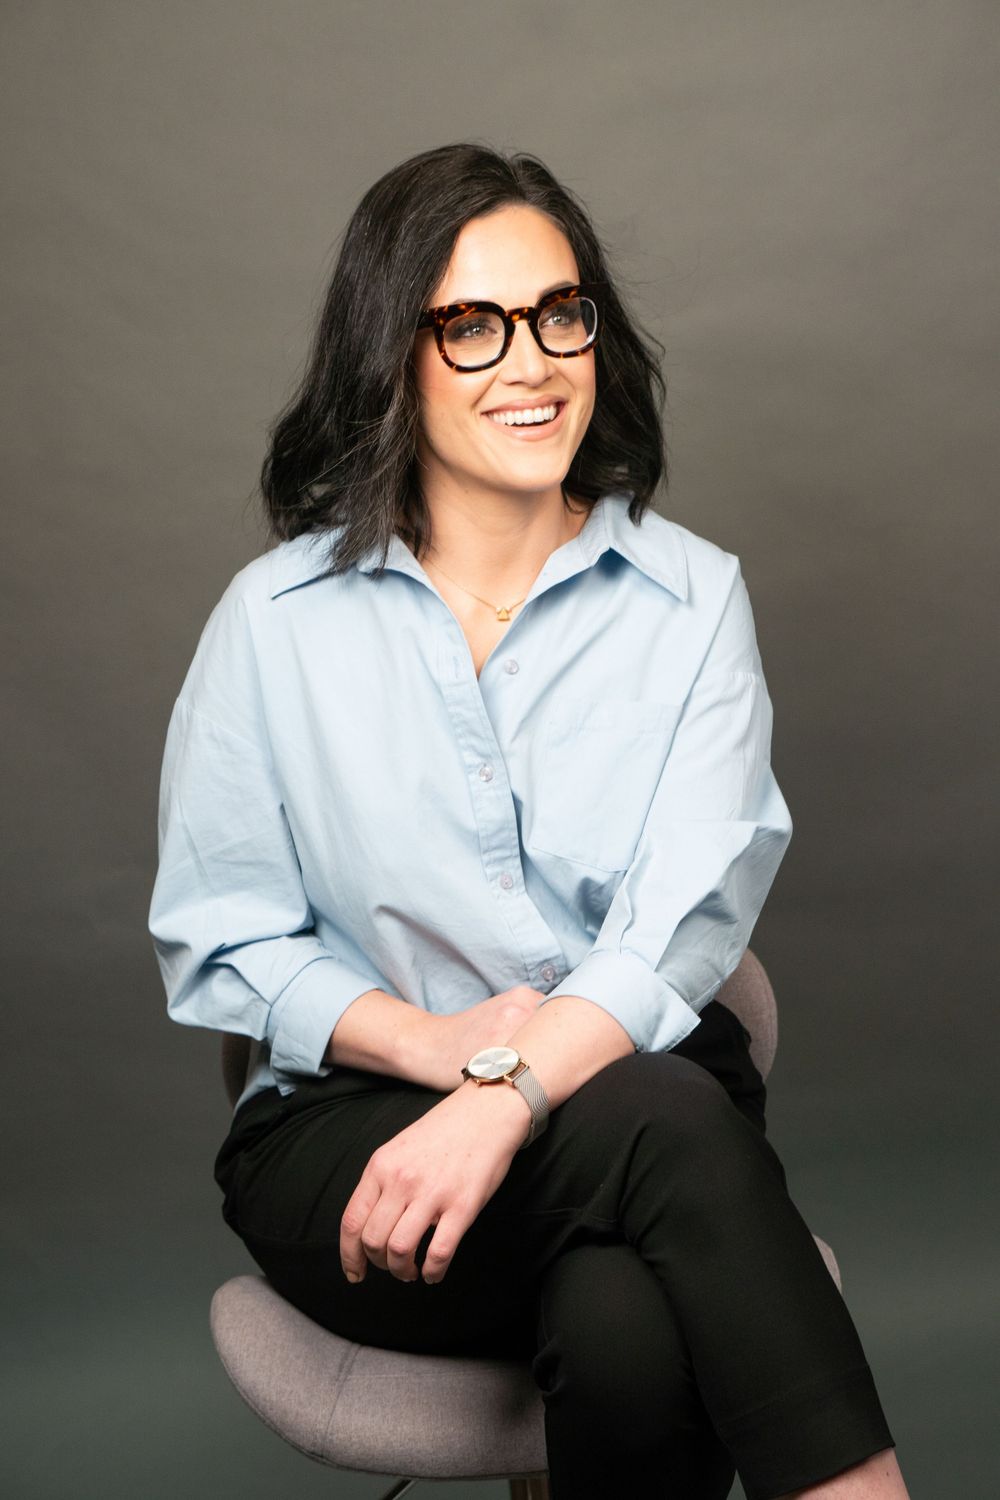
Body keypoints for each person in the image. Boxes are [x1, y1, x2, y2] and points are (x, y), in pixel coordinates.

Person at [148, 143, 909, 1500]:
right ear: (395, 353)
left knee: (622, 1313)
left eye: (563, 313)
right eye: (473, 324)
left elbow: (686, 922)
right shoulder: (272, 624)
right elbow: (223, 936)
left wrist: (507, 1096)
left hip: (634, 1094)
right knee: (672, 1145)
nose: (534, 360)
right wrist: (436, 1052)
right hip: (357, 1134)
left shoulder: (692, 603)